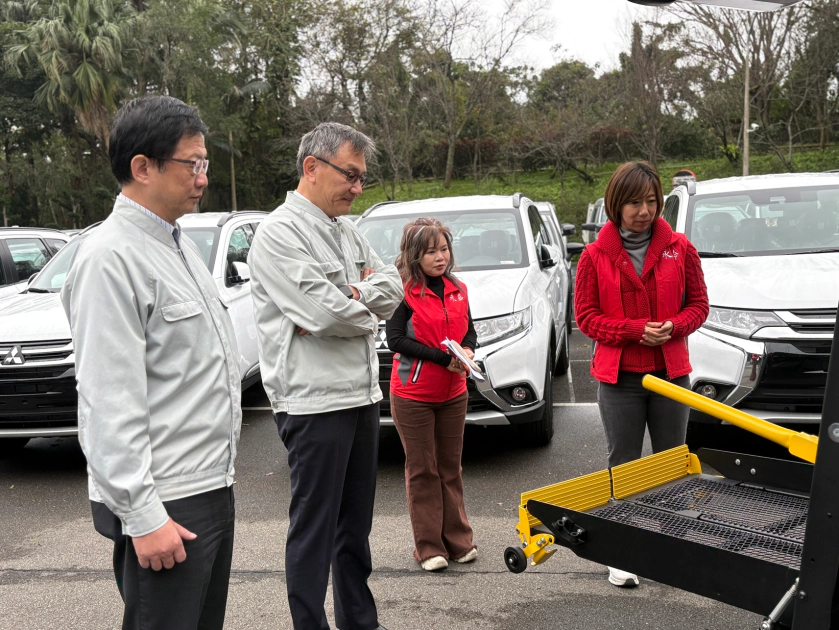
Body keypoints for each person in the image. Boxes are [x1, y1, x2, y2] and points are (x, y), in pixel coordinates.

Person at [61, 95, 241, 629]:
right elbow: (107, 400)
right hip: (167, 501)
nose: (202, 177)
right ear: (143, 167)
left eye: (204, 164)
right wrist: (142, 516)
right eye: (193, 164)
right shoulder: (110, 258)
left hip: (208, 484)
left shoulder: (175, 245)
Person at [248, 122, 403, 630]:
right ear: (311, 167)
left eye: (362, 178)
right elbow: (325, 315)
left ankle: (361, 621)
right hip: (312, 402)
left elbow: (393, 287)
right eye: (350, 175)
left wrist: (353, 296)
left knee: (354, 529)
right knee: (315, 530)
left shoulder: (346, 229)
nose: (358, 188)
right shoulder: (278, 234)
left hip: (359, 394)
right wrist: (354, 303)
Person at [574, 161, 709, 588]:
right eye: (634, 202)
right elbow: (586, 319)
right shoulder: (594, 256)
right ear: (616, 204)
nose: (644, 211)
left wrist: (676, 326)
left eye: (651, 201)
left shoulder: (680, 248)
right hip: (620, 380)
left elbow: (699, 306)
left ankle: (673, 544)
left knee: (672, 460)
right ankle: (622, 550)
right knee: (624, 462)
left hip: (671, 375)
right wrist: (634, 331)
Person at [386, 218, 478, 572]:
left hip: (454, 392)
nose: (440, 257)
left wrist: (467, 352)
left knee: (450, 468)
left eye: (443, 249)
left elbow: (470, 331)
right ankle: (428, 548)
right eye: (430, 251)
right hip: (413, 395)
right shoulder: (404, 292)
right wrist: (444, 358)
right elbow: (395, 340)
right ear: (414, 256)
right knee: (423, 470)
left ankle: (459, 541)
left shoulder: (458, 288)